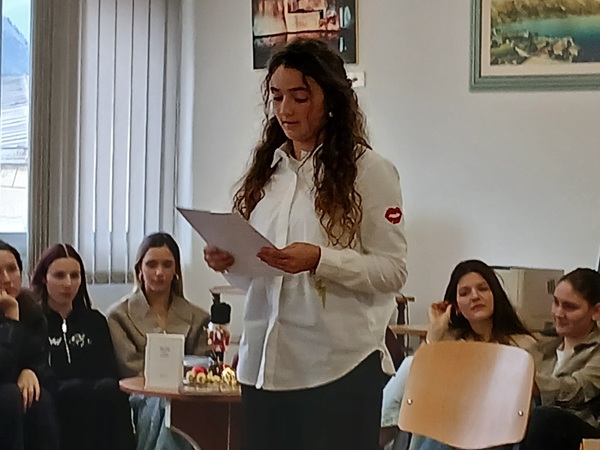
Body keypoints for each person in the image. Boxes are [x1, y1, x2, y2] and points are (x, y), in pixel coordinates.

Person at [204, 38, 408, 450]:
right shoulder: (268, 172)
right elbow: (263, 281)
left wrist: (319, 259)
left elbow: (392, 271)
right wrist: (231, 262)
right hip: (263, 366)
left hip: (336, 369)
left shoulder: (369, 171)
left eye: (300, 97)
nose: (286, 109)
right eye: (277, 97)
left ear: (330, 98)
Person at [380, 259, 535, 450]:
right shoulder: (451, 342)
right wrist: (435, 333)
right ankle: (374, 436)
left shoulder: (521, 345)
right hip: (449, 422)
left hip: (493, 427)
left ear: (495, 294)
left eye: (483, 289)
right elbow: (418, 387)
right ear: (456, 306)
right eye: (464, 293)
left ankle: (373, 437)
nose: (475, 296)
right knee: (412, 368)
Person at [107, 232, 210, 450]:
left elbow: (201, 368)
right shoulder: (118, 316)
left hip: (186, 396)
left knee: (177, 405)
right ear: (139, 269)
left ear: (176, 271)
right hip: (141, 395)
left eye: (167, 265)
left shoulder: (199, 318)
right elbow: (129, 367)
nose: (159, 272)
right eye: (151, 264)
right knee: (164, 403)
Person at [30, 243, 135, 450]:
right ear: (44, 278)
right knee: (74, 394)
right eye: (59, 276)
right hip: (56, 398)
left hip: (95, 396)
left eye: (75, 276)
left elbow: (108, 370)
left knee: (112, 392)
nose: (68, 283)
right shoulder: (33, 321)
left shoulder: (95, 321)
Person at [520, 268, 600, 450]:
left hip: (581, 433)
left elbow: (579, 389)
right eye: (556, 302)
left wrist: (533, 383)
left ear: (596, 311)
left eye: (569, 307)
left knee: (545, 418)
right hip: (534, 433)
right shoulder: (541, 346)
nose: (558, 313)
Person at [0, 240, 59, 450]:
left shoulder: (30, 308)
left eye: (12, 269)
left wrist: (31, 371)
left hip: (14, 392)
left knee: (39, 399)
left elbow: (43, 362)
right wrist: (11, 317)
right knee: (10, 397)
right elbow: (3, 369)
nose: (6, 279)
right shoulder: (14, 309)